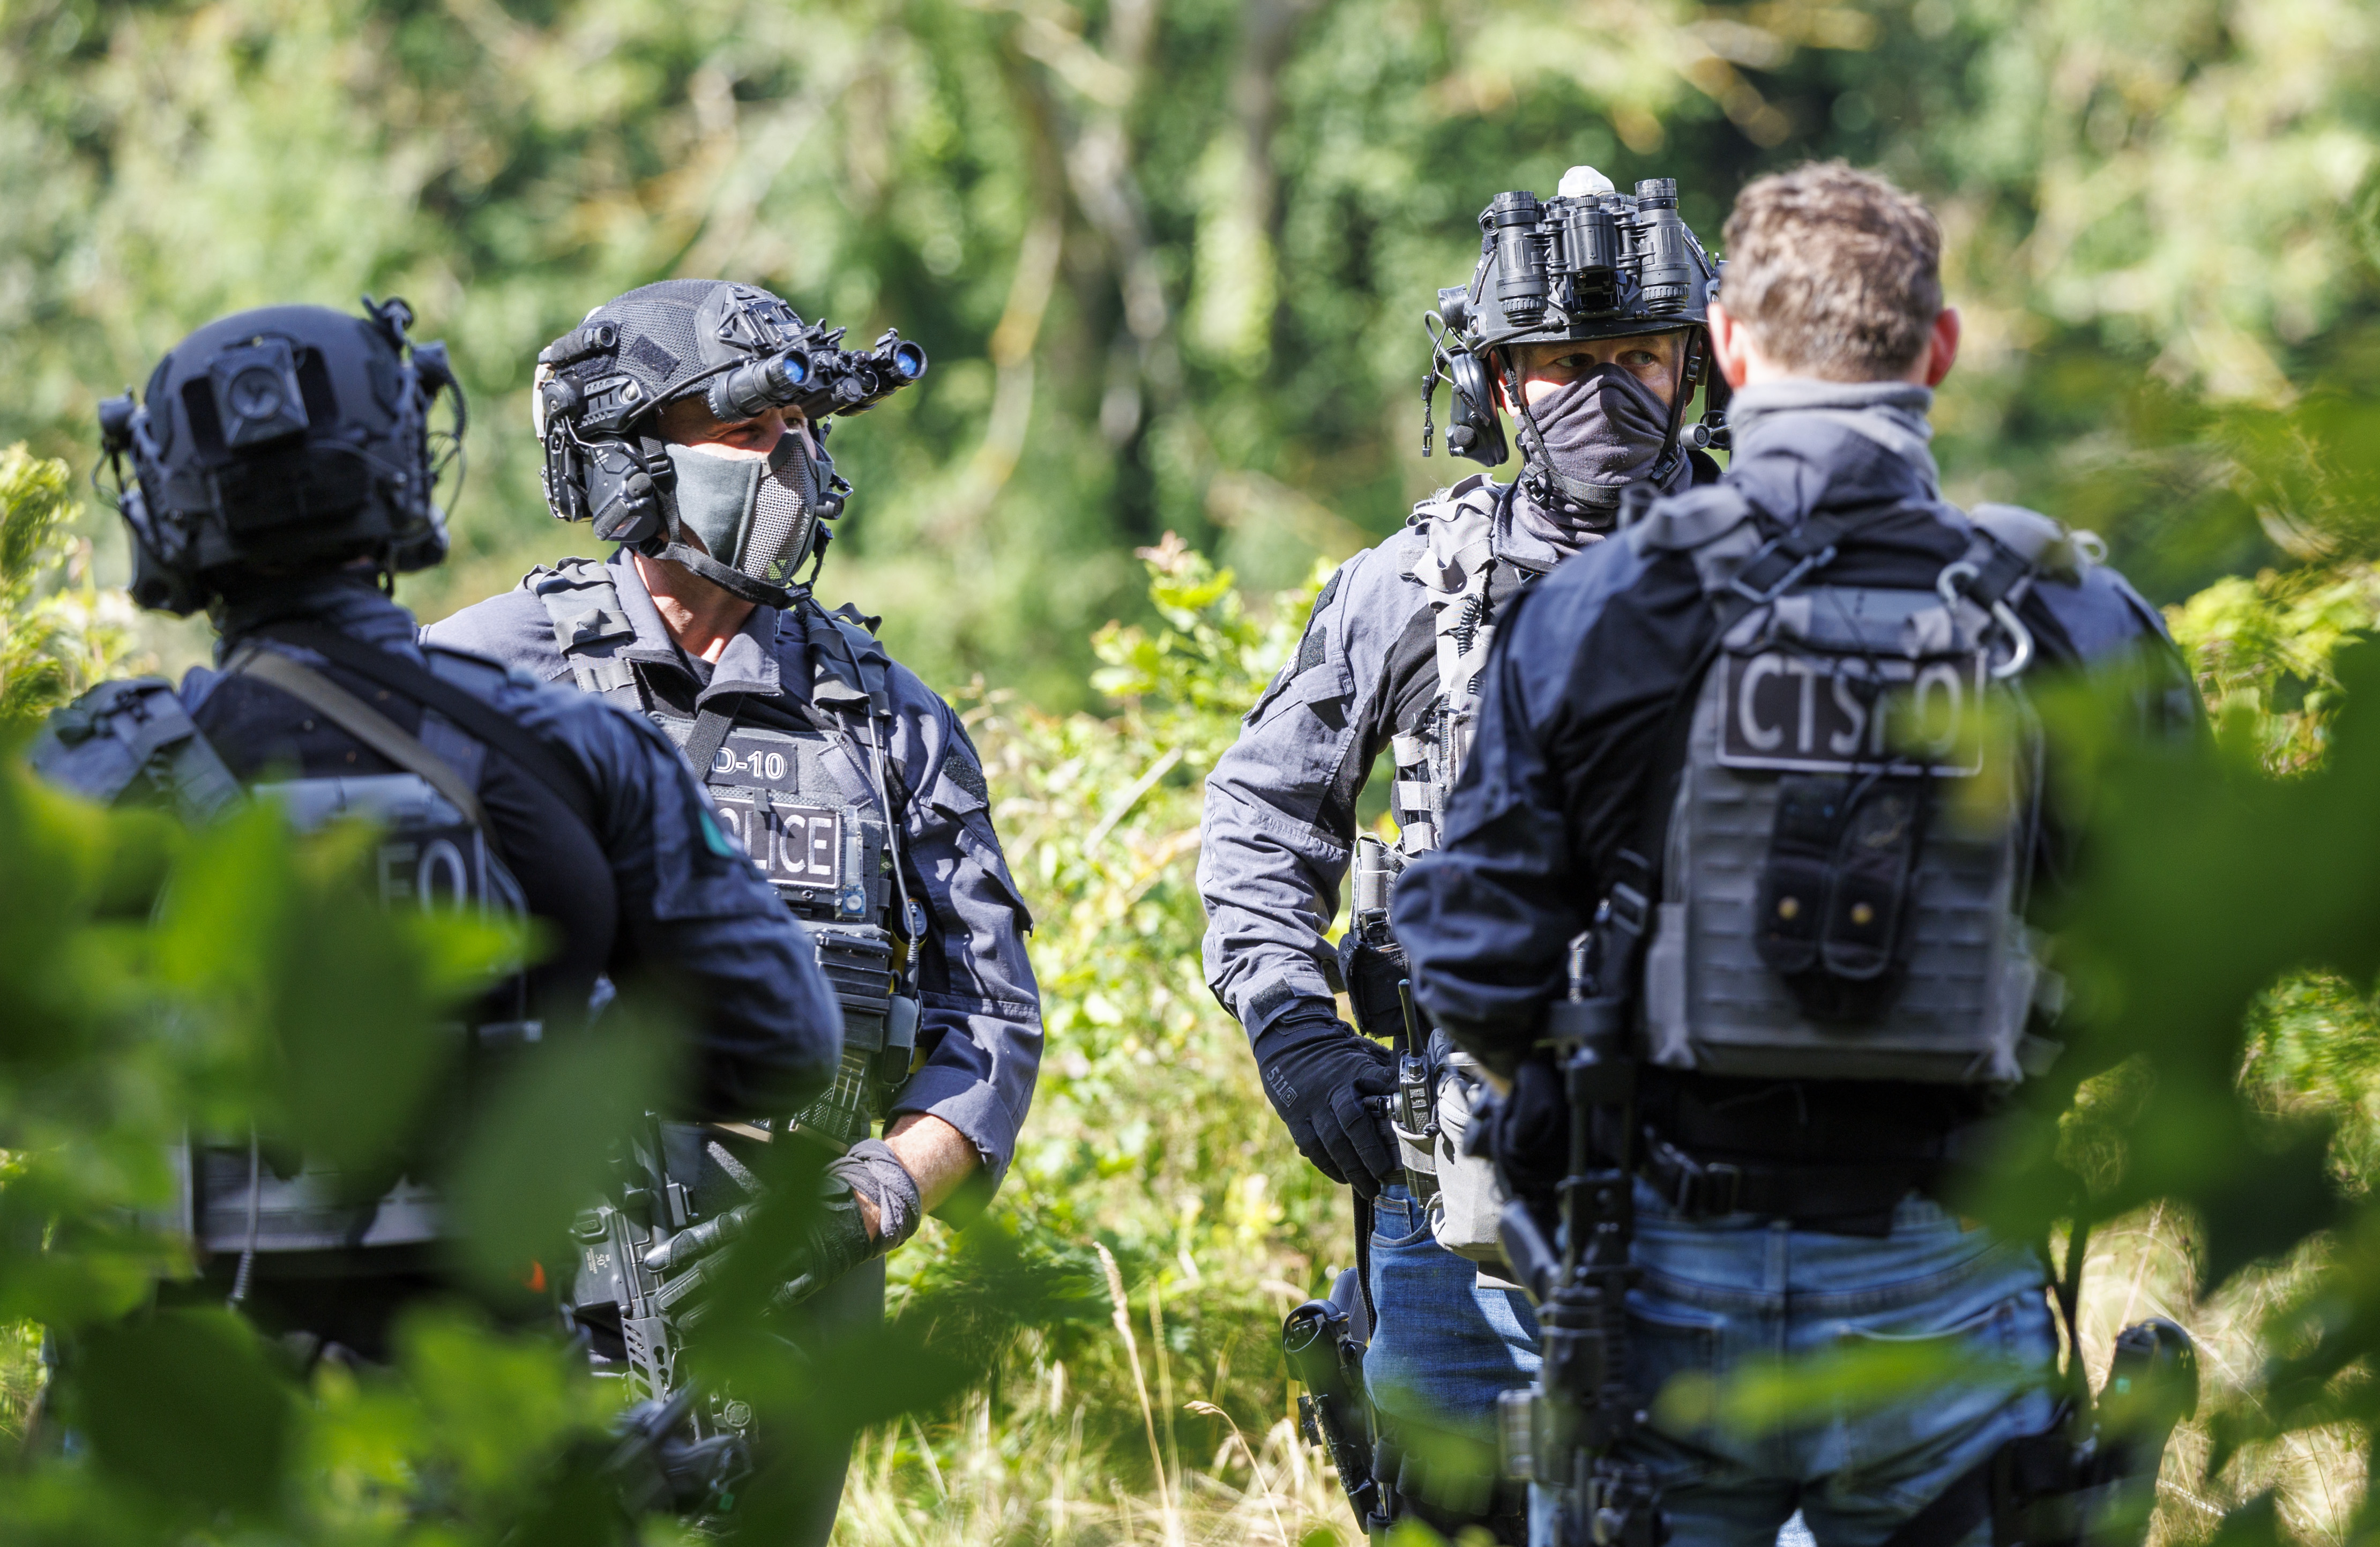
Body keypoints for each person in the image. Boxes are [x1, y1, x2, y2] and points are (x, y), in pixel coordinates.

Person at [1391, 163, 2196, 1547]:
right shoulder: (2064, 610)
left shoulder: (1603, 605)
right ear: (1936, 351)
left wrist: (1582, 1091)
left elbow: (1466, 951)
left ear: (1721, 349)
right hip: (1950, 1255)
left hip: (1658, 1276)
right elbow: (2187, 942)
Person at [30, 298, 844, 1362]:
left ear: (166, 512)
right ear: (406, 478)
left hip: (172, 1428)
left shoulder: (80, 782)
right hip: (479, 1423)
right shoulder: (581, 750)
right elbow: (784, 1044)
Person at [423, 278, 1043, 1542]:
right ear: (633, 458)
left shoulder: (892, 717)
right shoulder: (481, 672)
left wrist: (870, 1195)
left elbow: (993, 1027)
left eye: (803, 436)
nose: (789, 467)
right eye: (749, 435)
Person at [1198, 168, 1727, 1540]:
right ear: (1495, 384)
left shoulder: (1779, 564)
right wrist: (1297, 1039)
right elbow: (1262, 816)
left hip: (1738, 1171)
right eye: (1558, 364)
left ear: (1696, 364)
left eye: (1632, 358)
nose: (1599, 394)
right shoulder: (1414, 586)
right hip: (1458, 1188)